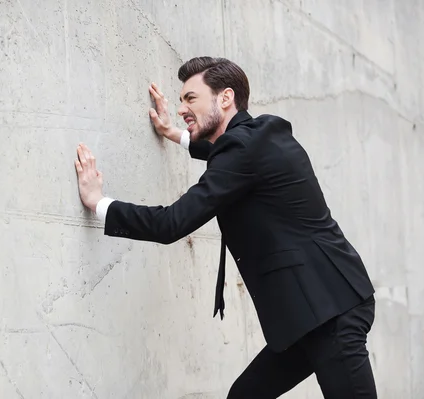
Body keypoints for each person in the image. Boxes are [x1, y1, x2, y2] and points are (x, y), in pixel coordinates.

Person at [74, 56, 377, 398]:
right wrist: (177, 133)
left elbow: (171, 223)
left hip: (331, 312)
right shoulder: (261, 134)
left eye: (191, 98)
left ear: (225, 98)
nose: (182, 106)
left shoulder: (243, 148)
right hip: (314, 309)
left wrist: (99, 203)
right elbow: (229, 155)